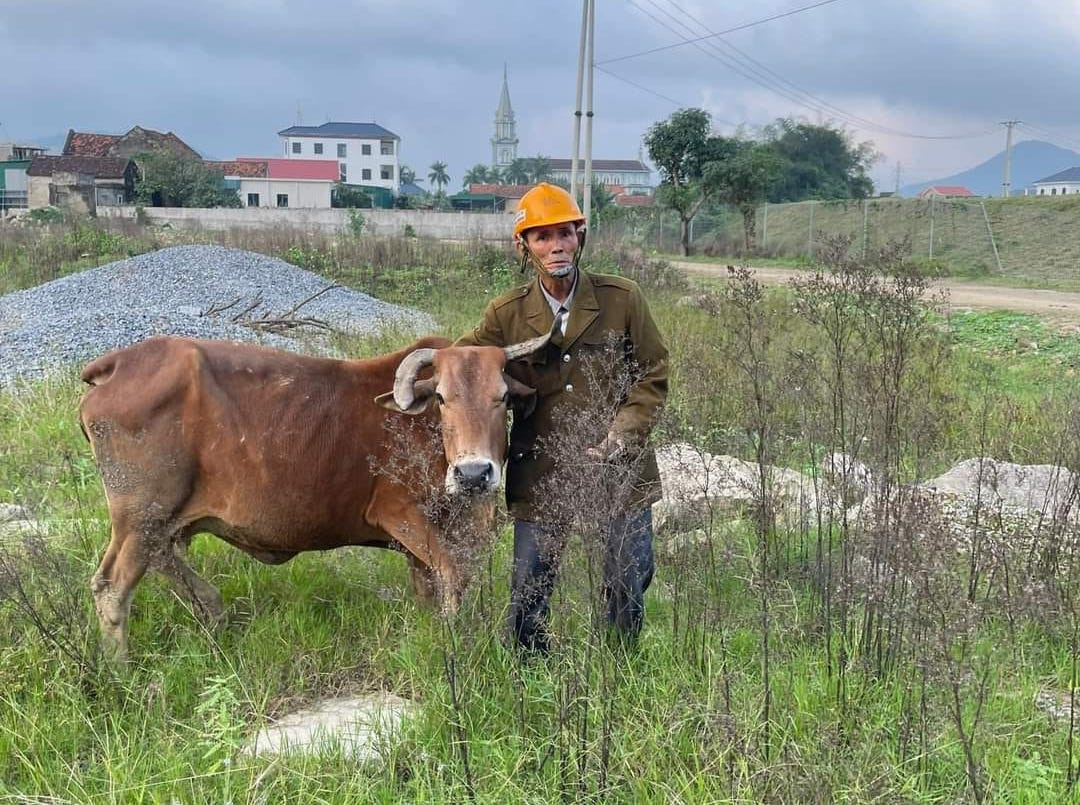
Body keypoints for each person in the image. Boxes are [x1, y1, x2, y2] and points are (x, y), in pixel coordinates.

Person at [456, 182, 669, 653]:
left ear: (580, 238)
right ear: (524, 246)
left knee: (628, 576)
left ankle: (620, 665)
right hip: (542, 469)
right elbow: (462, 365)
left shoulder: (622, 299)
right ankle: (529, 672)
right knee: (530, 587)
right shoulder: (505, 315)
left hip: (617, 467)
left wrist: (621, 435)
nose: (557, 246)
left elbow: (652, 374)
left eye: (565, 234)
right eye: (543, 236)